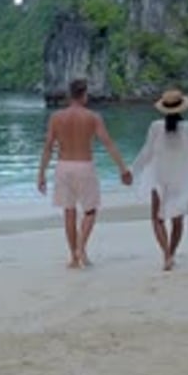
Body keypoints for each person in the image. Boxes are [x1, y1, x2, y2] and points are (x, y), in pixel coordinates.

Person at [37, 78, 132, 268]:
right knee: (90, 211)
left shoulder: (56, 117)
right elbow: (108, 143)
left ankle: (74, 256)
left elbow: (48, 147)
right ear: (84, 95)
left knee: (69, 212)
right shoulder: (92, 117)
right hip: (84, 165)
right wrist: (123, 169)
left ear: (69, 95)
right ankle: (81, 248)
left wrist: (41, 174)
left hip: (63, 166)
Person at [131, 88, 188, 270]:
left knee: (157, 218)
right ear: (181, 108)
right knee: (177, 220)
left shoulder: (155, 127)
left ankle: (166, 255)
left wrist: (133, 170)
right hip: (180, 177)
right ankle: (171, 253)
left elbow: (146, 152)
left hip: (158, 176)